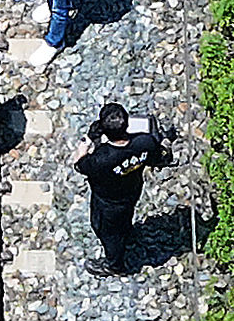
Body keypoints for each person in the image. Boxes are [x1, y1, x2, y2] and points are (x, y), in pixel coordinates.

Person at [73, 102, 173, 276]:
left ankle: (114, 265)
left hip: (108, 203)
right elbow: (158, 157)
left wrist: (86, 141)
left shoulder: (101, 159)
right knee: (125, 217)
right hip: (132, 190)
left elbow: (79, 164)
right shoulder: (144, 142)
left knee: (107, 233)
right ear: (127, 123)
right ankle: (127, 232)